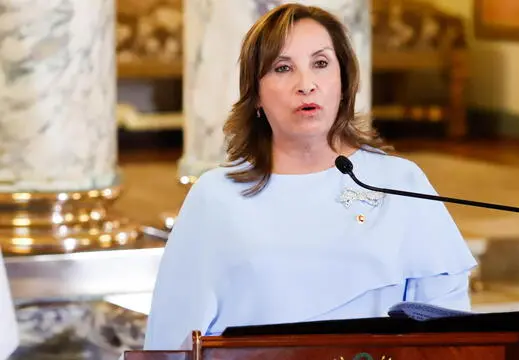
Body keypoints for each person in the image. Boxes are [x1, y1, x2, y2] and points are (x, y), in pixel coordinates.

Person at [143, 3, 477, 350]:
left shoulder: (401, 182)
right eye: (283, 68)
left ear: (344, 82)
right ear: (255, 94)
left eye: (320, 64)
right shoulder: (216, 197)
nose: (306, 85)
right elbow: (171, 341)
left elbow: (447, 332)